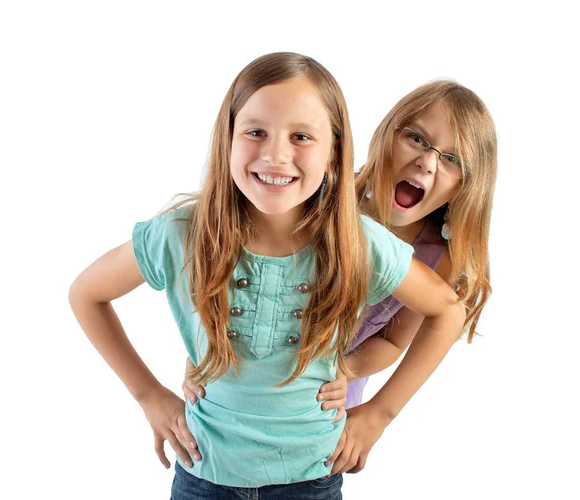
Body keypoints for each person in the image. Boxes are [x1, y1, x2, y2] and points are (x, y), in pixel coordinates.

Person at [69, 52, 464, 499]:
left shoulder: (358, 241)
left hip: (312, 478)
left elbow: (447, 311)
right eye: (256, 131)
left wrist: (380, 413)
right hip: (203, 473)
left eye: (301, 136)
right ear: (228, 140)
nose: (276, 154)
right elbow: (87, 294)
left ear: (334, 154)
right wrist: (148, 396)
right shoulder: (182, 233)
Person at [184, 80, 497, 477]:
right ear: (386, 135)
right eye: (416, 138)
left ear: (465, 186)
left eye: (452, 158)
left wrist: (367, 402)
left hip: (323, 397)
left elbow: (393, 341)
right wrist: (199, 353)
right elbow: (237, 277)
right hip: (242, 382)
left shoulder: (439, 257)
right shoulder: (323, 199)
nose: (427, 162)